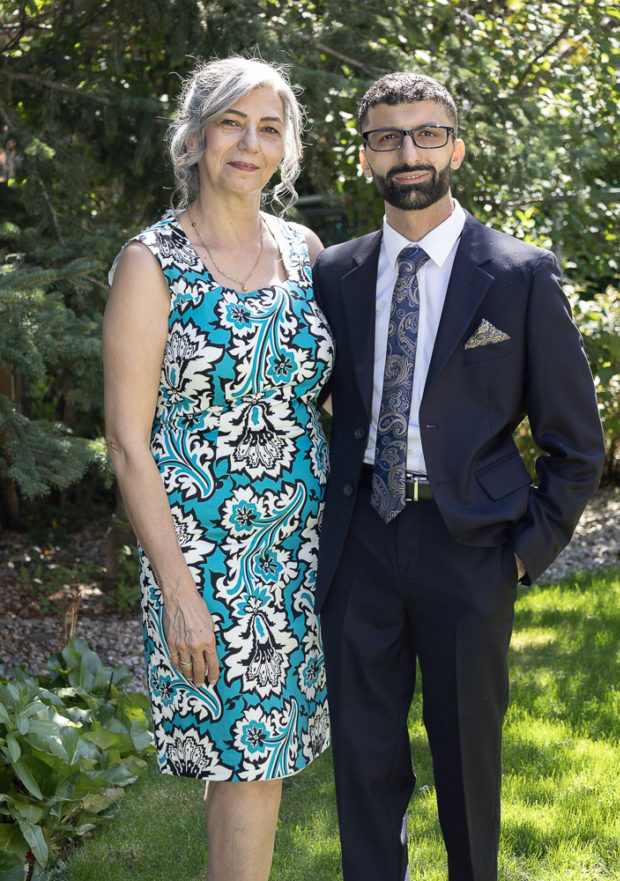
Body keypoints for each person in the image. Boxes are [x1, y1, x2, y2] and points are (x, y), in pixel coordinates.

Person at [312, 72, 605, 881]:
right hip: (360, 543)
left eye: (426, 134)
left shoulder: (518, 273)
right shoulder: (334, 272)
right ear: (364, 156)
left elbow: (576, 442)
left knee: (467, 763)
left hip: (471, 546)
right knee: (364, 763)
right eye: (386, 137)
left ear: (456, 149)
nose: (407, 152)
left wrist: (523, 555)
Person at [103, 56, 333, 881]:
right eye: (231, 122)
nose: (249, 143)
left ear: (286, 148)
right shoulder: (152, 261)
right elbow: (126, 441)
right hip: (205, 554)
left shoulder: (305, 251)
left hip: (304, 549)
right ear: (195, 137)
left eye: (269, 127)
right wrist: (179, 592)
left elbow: (332, 396)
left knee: (249, 763)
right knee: (252, 764)